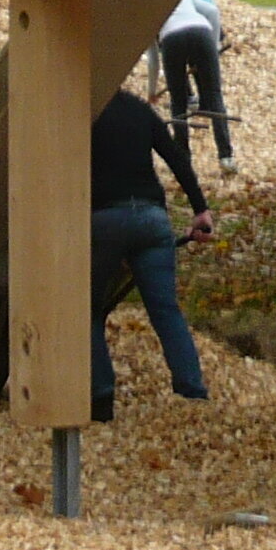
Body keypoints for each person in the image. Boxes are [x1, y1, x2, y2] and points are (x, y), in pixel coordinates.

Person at [89, 87, 212, 422]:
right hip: (152, 219)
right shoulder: (139, 108)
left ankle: (100, 398)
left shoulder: (83, 111)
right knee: (166, 310)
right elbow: (175, 156)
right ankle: (192, 392)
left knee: (88, 311)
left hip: (104, 220)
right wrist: (200, 209)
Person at [158, 0, 236, 175]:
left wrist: (151, 91)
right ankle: (226, 157)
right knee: (214, 96)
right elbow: (212, 12)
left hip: (172, 39)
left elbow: (152, 57)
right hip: (202, 32)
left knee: (178, 100)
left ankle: (183, 159)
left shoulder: (149, 7)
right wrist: (214, 46)